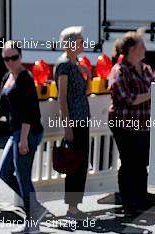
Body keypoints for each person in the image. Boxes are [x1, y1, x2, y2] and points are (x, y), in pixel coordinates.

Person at [0, 41, 47, 234]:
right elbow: (0, 109)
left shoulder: (25, 78)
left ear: (21, 56)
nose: (10, 62)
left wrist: (24, 139)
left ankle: (33, 220)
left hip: (28, 131)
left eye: (14, 57)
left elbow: (29, 112)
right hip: (16, 132)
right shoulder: (7, 78)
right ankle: (36, 208)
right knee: (5, 172)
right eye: (6, 59)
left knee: (23, 176)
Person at [108, 30, 155, 217]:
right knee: (129, 162)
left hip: (143, 124)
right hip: (124, 125)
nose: (145, 49)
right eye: (141, 46)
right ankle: (128, 203)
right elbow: (128, 98)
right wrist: (150, 94)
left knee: (141, 163)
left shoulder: (146, 69)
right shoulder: (119, 71)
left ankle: (140, 200)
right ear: (132, 50)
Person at [54, 26, 91, 222]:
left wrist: (87, 73)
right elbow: (62, 97)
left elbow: (83, 92)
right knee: (75, 164)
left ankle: (75, 206)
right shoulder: (64, 65)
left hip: (82, 118)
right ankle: (72, 208)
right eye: (80, 41)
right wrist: (67, 126)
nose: (83, 44)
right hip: (74, 121)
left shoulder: (75, 63)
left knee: (82, 163)